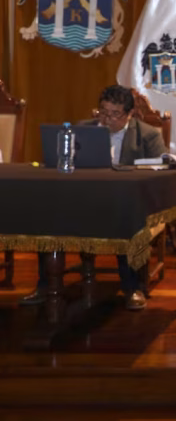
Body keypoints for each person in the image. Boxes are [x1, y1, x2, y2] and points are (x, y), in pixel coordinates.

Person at [20, 85, 167, 310]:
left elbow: (159, 176)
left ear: (129, 114)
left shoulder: (147, 135)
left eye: (114, 114)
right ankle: (45, 287)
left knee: (129, 222)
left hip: (124, 205)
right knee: (46, 218)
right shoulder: (81, 130)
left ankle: (133, 288)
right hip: (84, 202)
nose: (106, 120)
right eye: (103, 112)